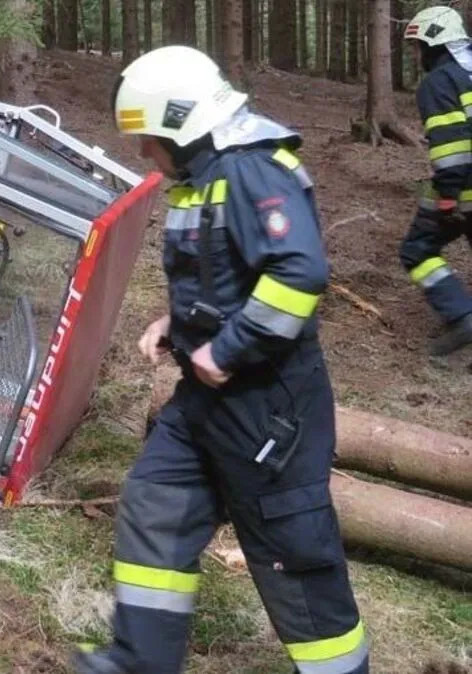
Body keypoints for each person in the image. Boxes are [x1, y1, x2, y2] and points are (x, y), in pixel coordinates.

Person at [70, 46, 367, 674]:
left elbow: (299, 272)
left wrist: (228, 350)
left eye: (149, 138)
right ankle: (141, 661)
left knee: (293, 558)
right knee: (156, 502)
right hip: (206, 399)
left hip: (268, 408)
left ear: (179, 122)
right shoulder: (205, 177)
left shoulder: (253, 171)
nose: (144, 151)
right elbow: (223, 274)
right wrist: (176, 324)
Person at [400, 6, 472, 356]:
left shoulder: (439, 82)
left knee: (418, 250)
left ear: (434, 41)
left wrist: (447, 196)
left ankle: (461, 317)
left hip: (464, 190)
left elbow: (451, 145)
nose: (416, 56)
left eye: (417, 46)